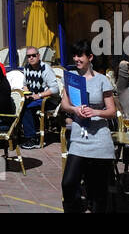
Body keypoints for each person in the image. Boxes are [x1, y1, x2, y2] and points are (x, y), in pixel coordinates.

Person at [59, 40, 117, 213]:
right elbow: (64, 105)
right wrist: (74, 109)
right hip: (79, 138)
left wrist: (95, 112)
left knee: (97, 191)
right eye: (74, 55)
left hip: (99, 139)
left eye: (80, 55)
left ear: (90, 57)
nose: (76, 59)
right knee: (68, 183)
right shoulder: (71, 78)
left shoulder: (102, 80)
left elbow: (112, 111)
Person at [19, 47, 61, 148]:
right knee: (19, 104)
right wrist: (27, 92)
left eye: (34, 55)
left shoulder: (45, 69)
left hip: (49, 99)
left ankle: (32, 139)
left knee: (26, 108)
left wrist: (38, 95)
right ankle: (23, 133)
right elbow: (25, 84)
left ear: (39, 56)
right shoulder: (27, 67)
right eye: (29, 56)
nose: (31, 58)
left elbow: (55, 89)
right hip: (34, 98)